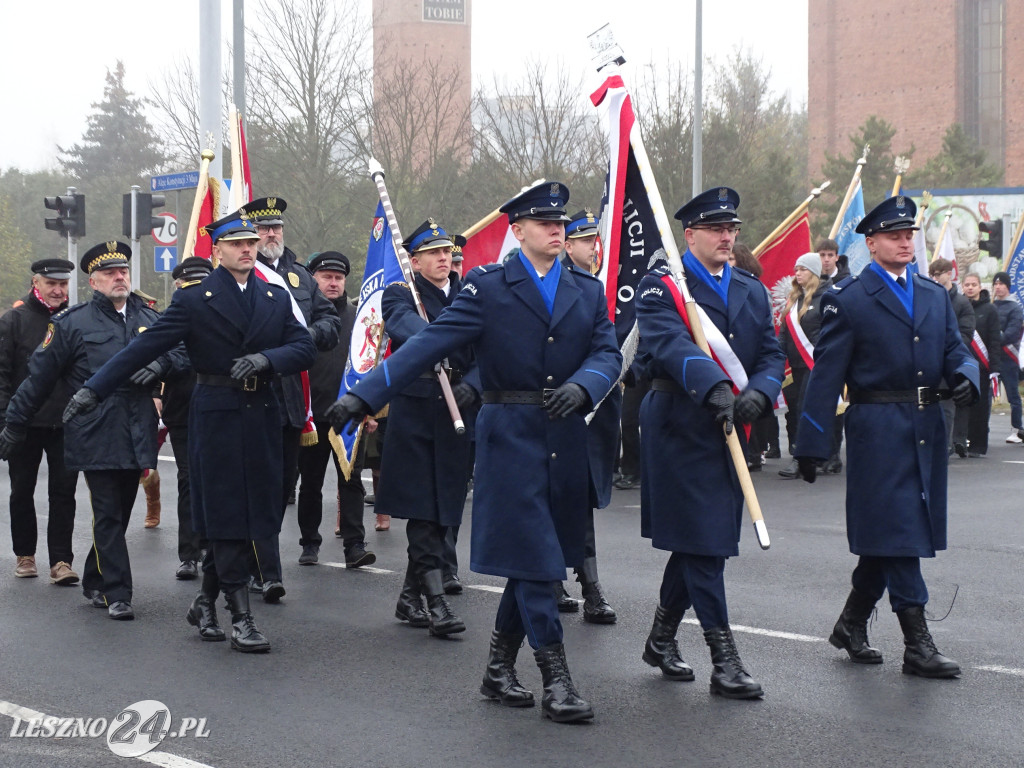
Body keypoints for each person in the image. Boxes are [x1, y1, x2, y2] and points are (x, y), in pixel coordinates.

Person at [328, 181, 620, 723]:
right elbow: (426, 346)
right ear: (518, 231)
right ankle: (556, 678)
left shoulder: (586, 288)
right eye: (543, 223)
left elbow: (607, 351)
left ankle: (496, 669)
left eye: (560, 222)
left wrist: (587, 384)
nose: (556, 230)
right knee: (537, 562)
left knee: (535, 560)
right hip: (509, 435)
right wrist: (363, 394)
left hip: (565, 436)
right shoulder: (488, 287)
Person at [63, 212, 317, 652]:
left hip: (261, 413)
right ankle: (241, 616)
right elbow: (146, 346)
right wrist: (94, 389)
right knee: (225, 512)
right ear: (216, 250)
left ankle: (204, 601)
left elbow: (305, 346)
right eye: (236, 244)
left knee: (256, 509)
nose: (246, 249)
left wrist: (267, 360)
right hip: (215, 414)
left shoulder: (275, 295)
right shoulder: (196, 299)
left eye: (251, 243)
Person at [795, 195, 978, 679]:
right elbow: (826, 375)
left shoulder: (933, 294)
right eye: (894, 235)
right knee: (900, 534)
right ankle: (917, 644)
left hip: (925, 427)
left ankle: (851, 623)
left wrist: (965, 376)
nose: (904, 241)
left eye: (909, 234)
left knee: (893, 534)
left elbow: (957, 350)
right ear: (871, 243)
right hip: (878, 428)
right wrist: (812, 443)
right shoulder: (849, 298)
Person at [635, 186, 784, 700]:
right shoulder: (661, 286)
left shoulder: (749, 287)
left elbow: (770, 353)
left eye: (733, 229)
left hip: (731, 426)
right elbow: (668, 344)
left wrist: (759, 396)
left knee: (704, 543)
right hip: (680, 424)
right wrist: (715, 386)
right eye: (717, 229)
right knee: (704, 543)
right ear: (690, 233)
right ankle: (725, 660)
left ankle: (660, 637)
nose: (728, 237)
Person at [0, 242, 179, 620]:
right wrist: (13, 423)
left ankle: (95, 579)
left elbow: (182, 349)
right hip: (94, 428)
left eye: (124, 272)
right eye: (111, 274)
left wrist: (161, 364)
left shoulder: (148, 316)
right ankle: (119, 593)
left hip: (137, 430)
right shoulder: (71, 323)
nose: (120, 278)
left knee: (123, 509)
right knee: (108, 512)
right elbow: (38, 379)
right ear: (93, 281)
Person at [378, 219, 477, 636]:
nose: (444, 259)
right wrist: (445, 337)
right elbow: (405, 328)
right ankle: (436, 603)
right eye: (434, 253)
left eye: (448, 253)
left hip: (459, 410)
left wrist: (474, 384)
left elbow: (490, 346)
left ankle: (408, 596)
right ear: (414, 261)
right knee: (423, 509)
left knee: (445, 512)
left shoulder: (470, 295)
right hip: (417, 411)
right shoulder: (402, 294)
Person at [246, 196, 341, 603]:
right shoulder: (243, 275)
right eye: (264, 228)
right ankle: (263, 570)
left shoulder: (301, 278)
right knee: (258, 487)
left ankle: (255, 562)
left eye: (277, 228)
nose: (272, 234)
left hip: (292, 403)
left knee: (283, 485)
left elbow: (329, 321)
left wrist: (308, 339)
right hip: (252, 396)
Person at [554, 209, 618, 624]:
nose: (593, 247)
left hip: (591, 402)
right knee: (551, 497)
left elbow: (604, 347)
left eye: (595, 240)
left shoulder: (593, 288)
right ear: (568, 244)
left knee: (582, 497)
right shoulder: (553, 285)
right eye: (585, 241)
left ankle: (589, 582)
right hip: (554, 404)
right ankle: (557, 579)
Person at [0, 259, 79, 582]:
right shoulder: (14, 321)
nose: (59, 290)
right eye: (51, 284)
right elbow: (2, 375)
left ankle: (61, 561)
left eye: (63, 284)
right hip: (24, 421)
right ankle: (25, 555)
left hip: (66, 421)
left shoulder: (75, 320)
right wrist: (5, 422)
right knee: (22, 490)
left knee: (64, 493)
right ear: (37, 283)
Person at [296, 251, 375, 568]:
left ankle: (355, 544)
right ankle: (309, 544)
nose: (333, 283)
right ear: (313, 280)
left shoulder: (360, 319)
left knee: (351, 480)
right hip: (312, 416)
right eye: (326, 277)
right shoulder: (302, 317)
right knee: (311, 483)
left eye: (338, 277)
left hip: (350, 415)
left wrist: (371, 409)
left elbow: (371, 366)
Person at [163, 256, 216, 580]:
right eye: (189, 283)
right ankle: (189, 553)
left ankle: (213, 544)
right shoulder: (173, 315)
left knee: (217, 479)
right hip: (183, 408)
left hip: (219, 407)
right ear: (179, 286)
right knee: (189, 481)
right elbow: (161, 353)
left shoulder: (224, 312)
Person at [778, 253, 823, 479]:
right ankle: (806, 454)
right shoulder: (794, 299)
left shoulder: (824, 298)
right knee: (795, 411)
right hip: (794, 365)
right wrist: (777, 359)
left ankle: (801, 459)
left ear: (814, 272)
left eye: (803, 269)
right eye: (796, 269)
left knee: (805, 409)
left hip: (814, 364)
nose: (797, 273)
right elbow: (785, 334)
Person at [927, 258, 975, 452]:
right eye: (933, 275)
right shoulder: (928, 297)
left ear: (949, 273)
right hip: (928, 360)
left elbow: (965, 335)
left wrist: (944, 350)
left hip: (949, 361)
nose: (936, 278)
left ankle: (945, 446)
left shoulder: (962, 302)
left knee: (946, 407)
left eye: (939, 274)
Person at [960, 272, 1000, 457]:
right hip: (962, 364)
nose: (970, 287)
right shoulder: (958, 306)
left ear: (979, 287)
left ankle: (978, 445)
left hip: (982, 367)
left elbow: (994, 341)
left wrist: (994, 369)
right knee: (962, 405)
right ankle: (960, 441)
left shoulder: (990, 310)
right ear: (962, 286)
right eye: (967, 284)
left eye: (973, 284)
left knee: (980, 408)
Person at [991, 271, 1024, 443]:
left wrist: (993, 339)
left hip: (1008, 358)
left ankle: (1017, 429)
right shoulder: (991, 306)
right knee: (984, 395)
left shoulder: (1015, 308)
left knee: (1013, 396)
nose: (998, 286)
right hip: (991, 358)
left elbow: (1012, 333)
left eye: (1001, 283)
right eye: (995, 284)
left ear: (1008, 286)